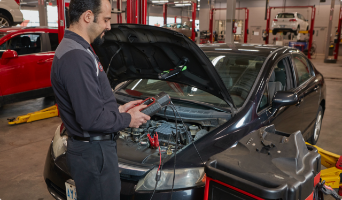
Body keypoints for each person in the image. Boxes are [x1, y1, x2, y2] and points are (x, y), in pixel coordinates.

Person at [50, 0, 150, 199]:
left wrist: (119, 111)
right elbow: (90, 119)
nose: (109, 26)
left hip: (93, 150)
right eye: (106, 19)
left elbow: (90, 103)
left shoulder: (79, 49)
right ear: (88, 17)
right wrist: (128, 120)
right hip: (93, 154)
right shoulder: (76, 56)